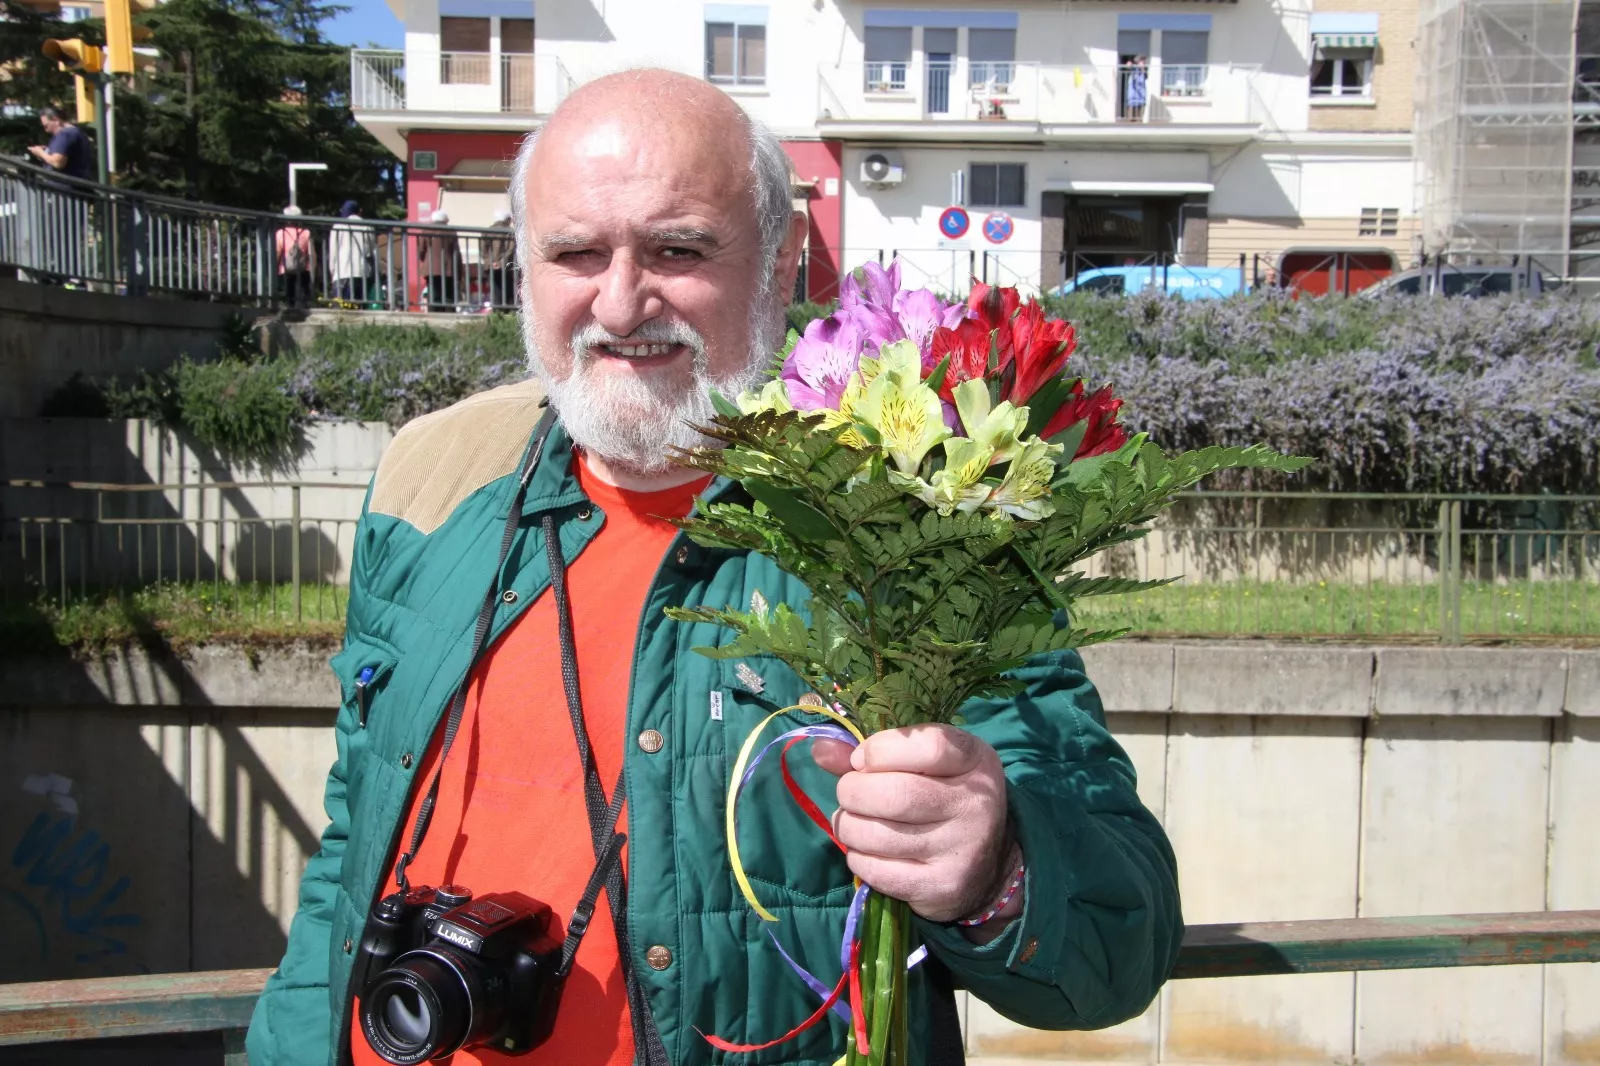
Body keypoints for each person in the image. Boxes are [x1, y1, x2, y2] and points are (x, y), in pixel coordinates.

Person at [247, 69, 1181, 1066]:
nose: (620, 302)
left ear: (779, 264)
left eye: (678, 250)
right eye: (575, 252)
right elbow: (350, 854)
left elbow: (1118, 945)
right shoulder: (430, 480)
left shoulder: (919, 515)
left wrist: (995, 870)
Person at [329, 201, 374, 306]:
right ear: (359, 211)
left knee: (341, 307)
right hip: (362, 272)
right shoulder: (367, 226)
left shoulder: (338, 226)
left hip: (342, 272)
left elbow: (333, 252)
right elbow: (370, 251)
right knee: (359, 306)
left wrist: (332, 270)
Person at [28, 107, 91, 181]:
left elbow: (57, 163)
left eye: (46, 125)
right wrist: (47, 151)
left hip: (63, 185)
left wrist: (40, 153)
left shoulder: (65, 134)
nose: (46, 130)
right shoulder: (77, 132)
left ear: (56, 120)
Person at [419, 208, 461, 311]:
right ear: (445, 220)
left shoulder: (426, 230)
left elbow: (421, 250)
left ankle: (434, 313)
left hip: (431, 268)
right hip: (449, 268)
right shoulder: (451, 231)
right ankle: (449, 314)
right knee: (448, 295)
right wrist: (459, 270)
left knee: (434, 294)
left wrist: (424, 260)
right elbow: (456, 251)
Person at [275, 205, 315, 309]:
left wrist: (275, 266)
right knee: (303, 293)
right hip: (303, 268)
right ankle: (304, 306)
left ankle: (290, 308)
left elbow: (278, 251)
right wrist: (313, 269)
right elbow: (311, 253)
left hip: (286, 268)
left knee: (289, 293)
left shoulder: (281, 233)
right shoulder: (306, 232)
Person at [482, 206, 517, 310]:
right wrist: (501, 262)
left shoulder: (487, 231)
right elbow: (511, 250)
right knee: (508, 289)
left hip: (491, 266)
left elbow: (483, 250)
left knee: (495, 290)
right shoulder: (510, 232)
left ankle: (497, 311)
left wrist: (490, 262)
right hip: (507, 266)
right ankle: (507, 311)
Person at [1123, 55, 1148, 121]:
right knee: (1131, 114)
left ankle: (1140, 120)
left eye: (1143, 61)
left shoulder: (1145, 68)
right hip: (1133, 93)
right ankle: (1130, 119)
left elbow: (1146, 76)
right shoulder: (1133, 68)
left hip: (1141, 94)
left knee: (1140, 116)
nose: (1142, 62)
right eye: (1141, 60)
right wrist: (1128, 66)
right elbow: (1126, 71)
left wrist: (1143, 69)